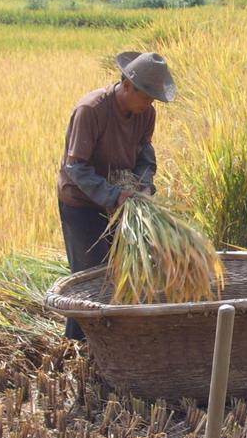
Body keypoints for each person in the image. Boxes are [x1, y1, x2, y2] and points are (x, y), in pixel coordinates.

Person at [57, 52, 176, 340]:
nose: (150, 104)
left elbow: (145, 154)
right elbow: (76, 167)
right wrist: (113, 196)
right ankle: (78, 344)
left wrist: (144, 186)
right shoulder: (92, 109)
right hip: (83, 203)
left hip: (122, 203)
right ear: (128, 85)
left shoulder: (145, 113)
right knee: (89, 277)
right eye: (147, 96)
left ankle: (114, 343)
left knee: (122, 272)